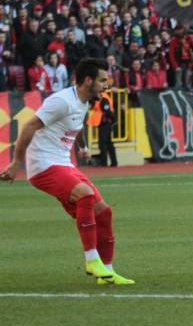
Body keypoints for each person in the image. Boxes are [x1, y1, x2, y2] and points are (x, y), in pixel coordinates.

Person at [0, 58, 134, 285]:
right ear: (88, 80)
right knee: (85, 194)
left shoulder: (83, 101)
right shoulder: (61, 101)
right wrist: (15, 163)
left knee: (104, 212)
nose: (106, 85)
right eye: (102, 80)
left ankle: (107, 271)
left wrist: (81, 147)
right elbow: (29, 125)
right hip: (43, 164)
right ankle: (92, 260)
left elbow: (77, 126)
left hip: (63, 163)